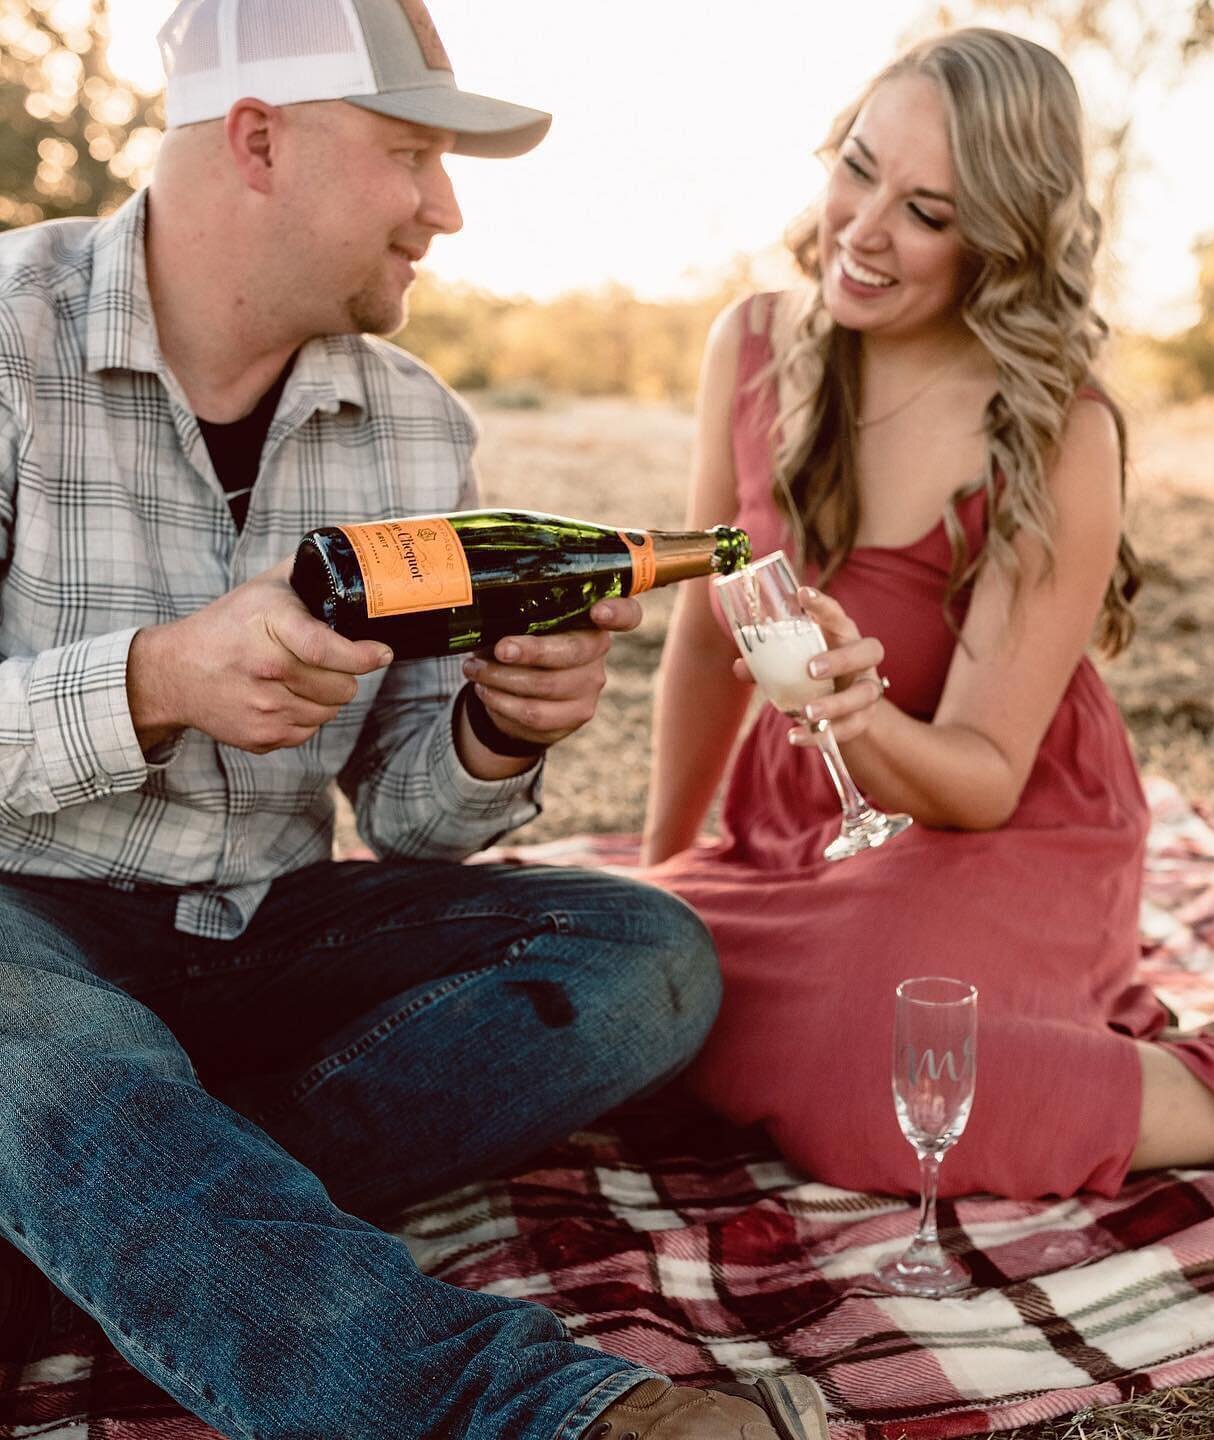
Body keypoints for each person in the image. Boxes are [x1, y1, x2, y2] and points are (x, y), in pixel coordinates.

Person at [0, 2, 831, 1437]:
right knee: (26, 1036)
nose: (444, 209)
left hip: (263, 929)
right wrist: (158, 679)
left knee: (648, 959)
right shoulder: (10, 337)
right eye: (410, 154)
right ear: (259, 138)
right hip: (27, 923)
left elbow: (412, 819)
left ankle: (107, 1196)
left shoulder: (415, 425)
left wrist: (496, 734)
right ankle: (527, 1416)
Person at [642, 27, 1214, 1202]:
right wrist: (665, 871)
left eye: (928, 210)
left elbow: (982, 779)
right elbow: (712, 640)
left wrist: (858, 721)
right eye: (858, 167)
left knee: (887, 1073)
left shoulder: (1058, 426)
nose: (862, 230)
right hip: (797, 833)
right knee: (623, 998)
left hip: (1006, 836)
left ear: (1000, 242)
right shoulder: (751, 345)